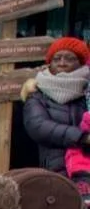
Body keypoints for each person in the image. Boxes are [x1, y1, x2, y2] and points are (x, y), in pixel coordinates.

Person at [19, 38, 89, 177]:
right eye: (57, 58)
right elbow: (38, 126)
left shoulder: (87, 90)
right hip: (52, 170)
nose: (62, 63)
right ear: (50, 63)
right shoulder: (37, 92)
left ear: (80, 63)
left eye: (70, 58)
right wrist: (82, 137)